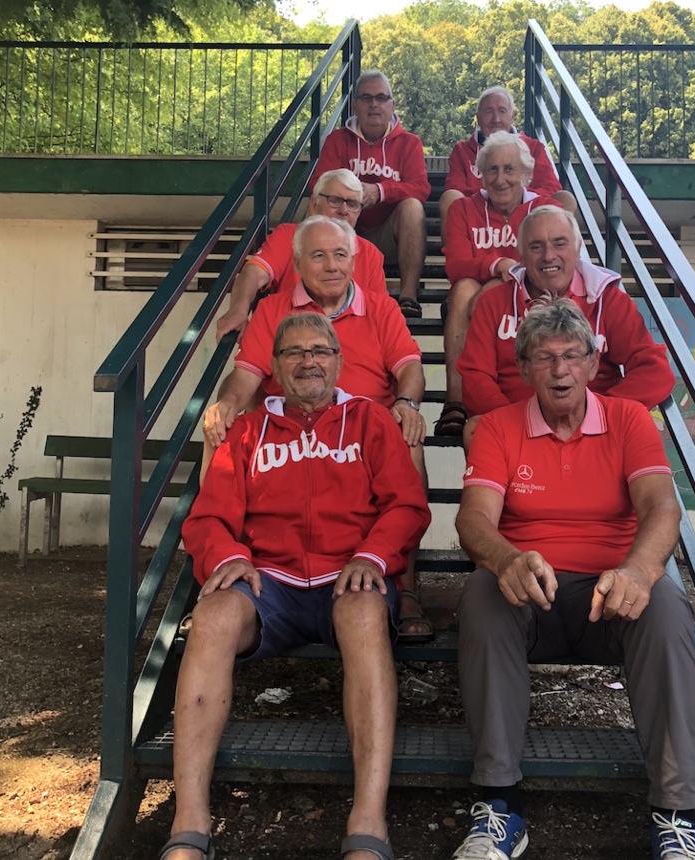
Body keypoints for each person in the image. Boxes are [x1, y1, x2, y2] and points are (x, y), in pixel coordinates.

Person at [160, 313, 430, 860]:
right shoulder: (248, 431)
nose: (309, 361)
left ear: (339, 361)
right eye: (294, 352)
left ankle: (368, 822)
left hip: (349, 577)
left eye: (320, 350)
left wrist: (372, 555)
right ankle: (188, 823)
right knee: (211, 617)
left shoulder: (370, 421)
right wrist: (230, 557)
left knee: (363, 613)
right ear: (275, 367)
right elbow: (207, 518)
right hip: (270, 583)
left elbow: (406, 506)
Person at [452, 299, 695, 860]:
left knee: (667, 605)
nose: (560, 369)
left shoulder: (629, 419)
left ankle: (677, 814)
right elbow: (473, 519)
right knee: (482, 594)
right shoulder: (497, 427)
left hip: (610, 594)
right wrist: (506, 559)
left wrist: (639, 570)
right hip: (531, 594)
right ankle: (498, 805)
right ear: (524, 369)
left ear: (594, 364)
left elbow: (662, 507)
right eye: (544, 358)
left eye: (572, 355)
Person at [203, 215, 433, 642]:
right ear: (298, 264)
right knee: (220, 429)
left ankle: (405, 586)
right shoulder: (273, 309)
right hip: (293, 423)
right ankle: (224, 569)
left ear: (354, 261)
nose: (332, 266)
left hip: (367, 429)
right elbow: (246, 373)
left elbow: (410, 369)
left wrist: (405, 403)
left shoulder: (381, 307)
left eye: (340, 255)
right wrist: (227, 406)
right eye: (319, 256)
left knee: (409, 434)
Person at [457, 205, 675, 443]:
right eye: (536, 246)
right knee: (475, 429)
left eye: (560, 243)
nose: (548, 256)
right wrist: (516, 424)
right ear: (521, 255)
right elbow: (475, 376)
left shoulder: (608, 299)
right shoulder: (494, 301)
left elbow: (654, 370)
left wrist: (600, 414)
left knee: (642, 427)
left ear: (577, 249)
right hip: (516, 431)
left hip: (596, 435)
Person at [437, 132, 553, 436]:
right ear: (481, 174)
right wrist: (498, 265)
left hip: (526, 298)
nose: (500, 179)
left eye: (509, 169)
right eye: (492, 169)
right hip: (475, 301)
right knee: (463, 288)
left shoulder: (544, 210)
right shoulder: (463, 208)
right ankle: (455, 399)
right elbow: (456, 265)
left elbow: (550, 266)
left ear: (526, 174)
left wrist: (496, 286)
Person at [215, 169, 386, 342]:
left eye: (352, 204)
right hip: (292, 342)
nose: (344, 210)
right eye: (335, 200)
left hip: (350, 344)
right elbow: (253, 274)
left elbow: (380, 313)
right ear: (314, 203)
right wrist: (238, 311)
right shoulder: (288, 236)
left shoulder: (370, 253)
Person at [310, 70, 430, 318]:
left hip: (388, 233)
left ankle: (408, 296)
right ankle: (308, 290)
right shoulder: (338, 140)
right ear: (355, 105)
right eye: (366, 98)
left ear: (391, 105)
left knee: (413, 207)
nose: (374, 104)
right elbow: (317, 183)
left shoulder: (409, 143)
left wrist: (380, 191)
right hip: (343, 229)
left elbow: (420, 187)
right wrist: (349, 193)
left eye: (381, 97)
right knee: (316, 204)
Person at [440, 85, 576, 234]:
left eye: (502, 111)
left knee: (565, 199)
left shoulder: (534, 148)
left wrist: (514, 197)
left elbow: (551, 188)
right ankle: (457, 249)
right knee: (450, 198)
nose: (496, 119)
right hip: (478, 218)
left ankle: (550, 248)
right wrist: (494, 197)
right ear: (478, 118)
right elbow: (455, 190)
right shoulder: (462, 150)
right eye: (488, 112)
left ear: (513, 116)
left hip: (528, 217)